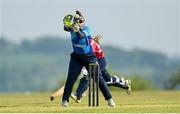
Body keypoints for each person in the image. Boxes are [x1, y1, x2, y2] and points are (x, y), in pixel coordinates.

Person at [61, 10, 115, 107]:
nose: (81, 23)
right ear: (75, 22)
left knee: (98, 79)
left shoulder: (87, 29)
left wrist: (77, 29)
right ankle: (65, 101)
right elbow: (66, 28)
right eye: (79, 21)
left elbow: (81, 37)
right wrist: (66, 24)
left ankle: (110, 99)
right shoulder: (72, 29)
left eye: (81, 21)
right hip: (76, 57)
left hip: (89, 57)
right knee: (71, 78)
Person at [70, 35, 131, 103]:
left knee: (88, 76)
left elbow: (87, 55)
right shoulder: (87, 43)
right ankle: (124, 84)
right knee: (107, 81)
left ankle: (78, 95)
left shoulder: (91, 43)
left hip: (100, 62)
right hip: (95, 61)